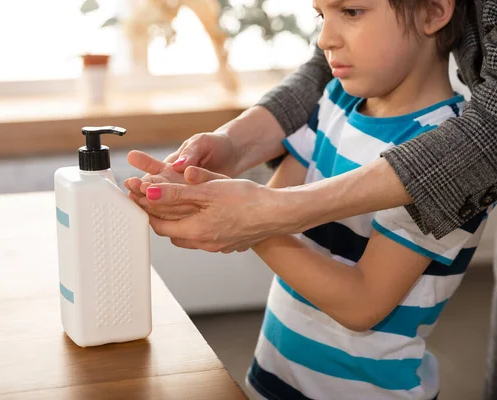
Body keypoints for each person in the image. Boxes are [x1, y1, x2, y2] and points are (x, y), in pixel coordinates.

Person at [124, 0, 497, 398]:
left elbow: (362, 304)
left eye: (351, 12)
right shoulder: (334, 102)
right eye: (321, 15)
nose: (324, 39)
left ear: (433, 12)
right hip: (275, 378)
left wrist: (252, 226)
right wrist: (201, 188)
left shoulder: (445, 159)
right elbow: (271, 206)